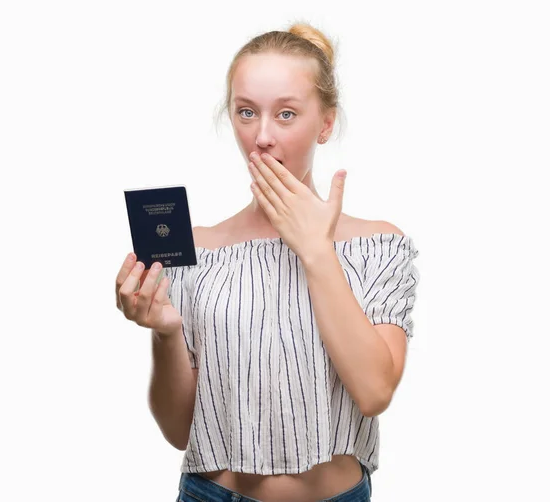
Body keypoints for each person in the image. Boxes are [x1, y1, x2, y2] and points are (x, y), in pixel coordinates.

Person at [116, 22, 420, 502]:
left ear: (325, 123)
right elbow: (179, 431)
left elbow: (374, 391)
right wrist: (166, 331)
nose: (261, 137)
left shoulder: (377, 247)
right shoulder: (197, 253)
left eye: (285, 114)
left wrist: (316, 250)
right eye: (246, 112)